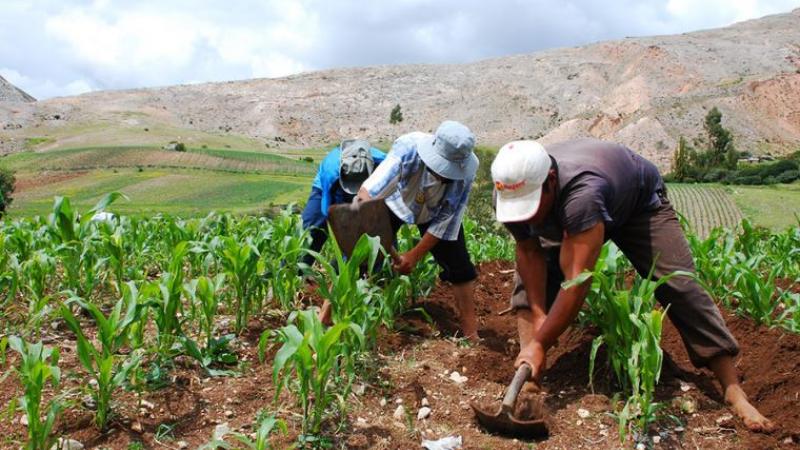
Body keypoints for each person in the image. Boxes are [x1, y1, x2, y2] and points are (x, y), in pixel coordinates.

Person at [491, 138, 774, 432]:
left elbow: (576, 283)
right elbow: (528, 251)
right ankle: (530, 383)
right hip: (574, 206)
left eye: (532, 204)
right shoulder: (509, 191)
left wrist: (542, 341)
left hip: (638, 203)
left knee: (678, 283)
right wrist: (538, 318)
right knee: (527, 287)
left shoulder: (582, 195)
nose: (527, 214)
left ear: (550, 180)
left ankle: (732, 389)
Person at [351, 120, 481, 341]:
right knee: (361, 258)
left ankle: (471, 334)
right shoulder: (408, 149)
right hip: (396, 201)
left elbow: (445, 222)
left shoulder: (464, 174)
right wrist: (375, 227)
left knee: (460, 267)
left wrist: (413, 255)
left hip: (434, 210)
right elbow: (367, 194)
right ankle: (349, 322)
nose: (444, 175)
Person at [300, 139, 386, 269]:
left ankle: (364, 273)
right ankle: (293, 273)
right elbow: (326, 211)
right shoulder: (331, 172)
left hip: (369, 189)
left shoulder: (384, 165)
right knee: (312, 231)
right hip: (328, 187)